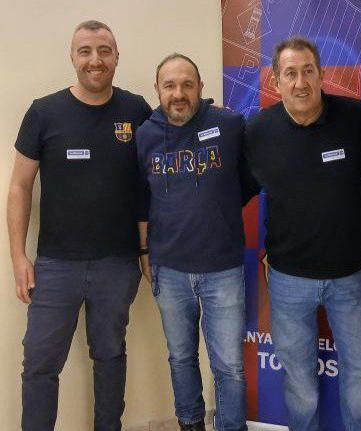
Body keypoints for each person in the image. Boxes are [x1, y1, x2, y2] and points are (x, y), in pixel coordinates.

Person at [7, 20, 152, 431]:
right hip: (55, 266)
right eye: (85, 51)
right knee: (39, 364)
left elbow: (152, 181)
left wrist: (146, 249)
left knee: (110, 358)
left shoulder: (137, 110)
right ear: (72, 57)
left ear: (117, 57)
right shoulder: (43, 112)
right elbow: (19, 186)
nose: (95, 60)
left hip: (117, 263)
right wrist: (18, 257)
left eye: (104, 50)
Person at [245, 37, 361, 431]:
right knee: (299, 383)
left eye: (308, 71)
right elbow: (233, 189)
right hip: (288, 280)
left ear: (321, 75)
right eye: (290, 74)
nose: (300, 82)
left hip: (352, 276)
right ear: (275, 81)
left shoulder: (358, 118)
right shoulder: (258, 130)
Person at [136, 53, 256, 431]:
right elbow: (141, 197)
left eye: (187, 84)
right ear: (157, 90)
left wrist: (218, 207)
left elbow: (248, 180)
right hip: (169, 269)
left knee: (229, 366)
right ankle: (190, 424)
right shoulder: (145, 136)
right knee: (181, 358)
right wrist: (144, 250)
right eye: (170, 85)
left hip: (223, 268)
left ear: (201, 88)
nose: (179, 93)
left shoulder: (230, 124)